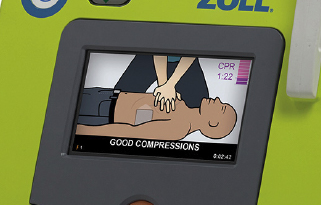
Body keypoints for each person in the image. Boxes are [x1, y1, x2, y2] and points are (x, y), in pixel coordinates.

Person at [76, 90, 237, 141]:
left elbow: (131, 132)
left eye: (221, 108)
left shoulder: (179, 128)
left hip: (101, 112)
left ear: (212, 123)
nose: (217, 100)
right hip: (105, 99)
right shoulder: (182, 106)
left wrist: (83, 131)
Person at [114, 55, 209, 111]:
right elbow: (158, 43)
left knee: (199, 104)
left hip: (185, 60)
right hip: (151, 55)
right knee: (119, 97)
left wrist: (170, 85)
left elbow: (191, 49)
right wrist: (163, 86)